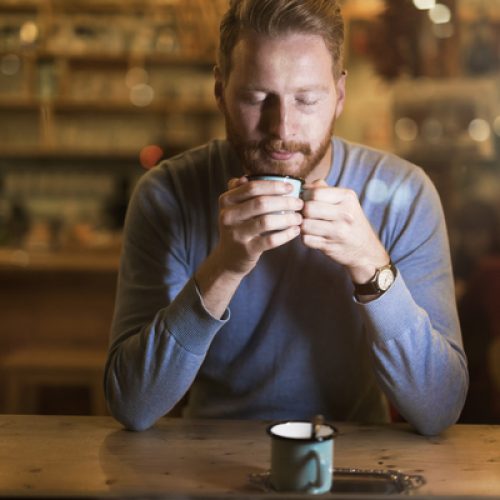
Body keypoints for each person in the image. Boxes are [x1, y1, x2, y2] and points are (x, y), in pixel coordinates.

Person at [104, 0, 468, 435]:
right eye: (257, 98)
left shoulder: (403, 194)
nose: (282, 129)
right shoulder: (167, 195)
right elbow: (132, 404)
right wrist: (225, 268)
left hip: (355, 455)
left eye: (307, 99)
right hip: (207, 455)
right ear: (220, 90)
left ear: (339, 96)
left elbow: (440, 409)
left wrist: (372, 267)